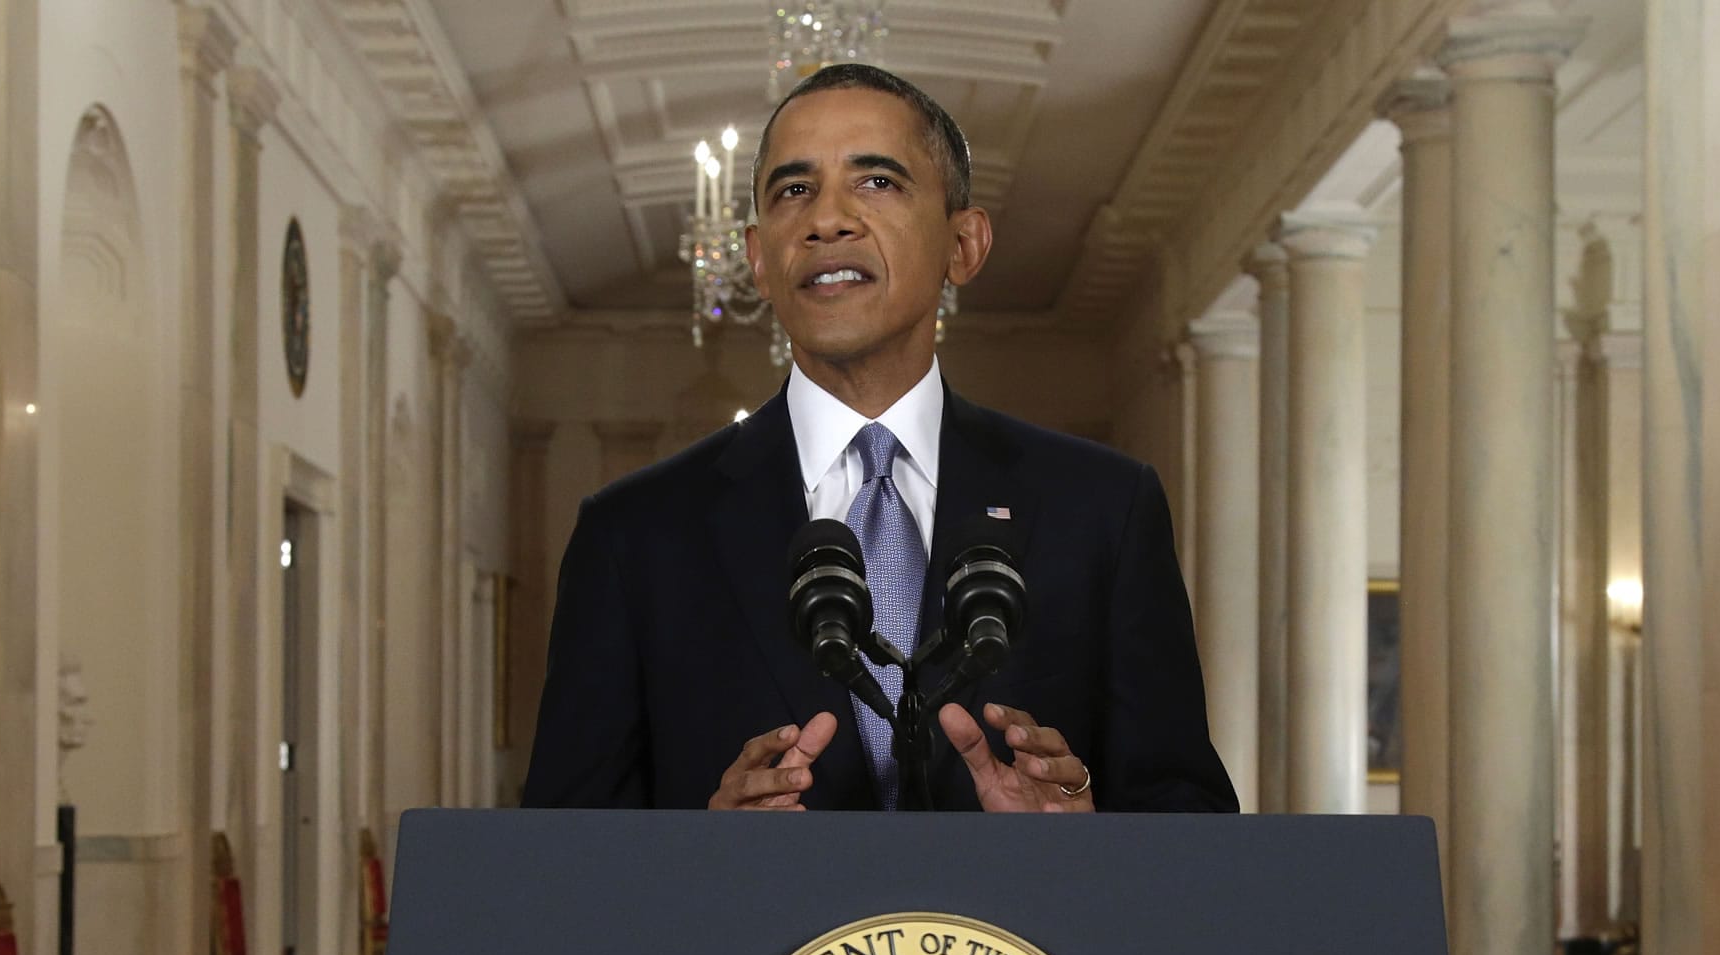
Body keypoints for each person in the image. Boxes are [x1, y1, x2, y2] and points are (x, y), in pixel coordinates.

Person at [523, 64, 1237, 814]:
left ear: (964, 244)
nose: (826, 219)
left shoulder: (1104, 510)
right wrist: (704, 855)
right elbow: (560, 863)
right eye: (793, 191)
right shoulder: (632, 534)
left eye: (876, 183)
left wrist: (1082, 820)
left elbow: (1193, 831)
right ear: (759, 258)